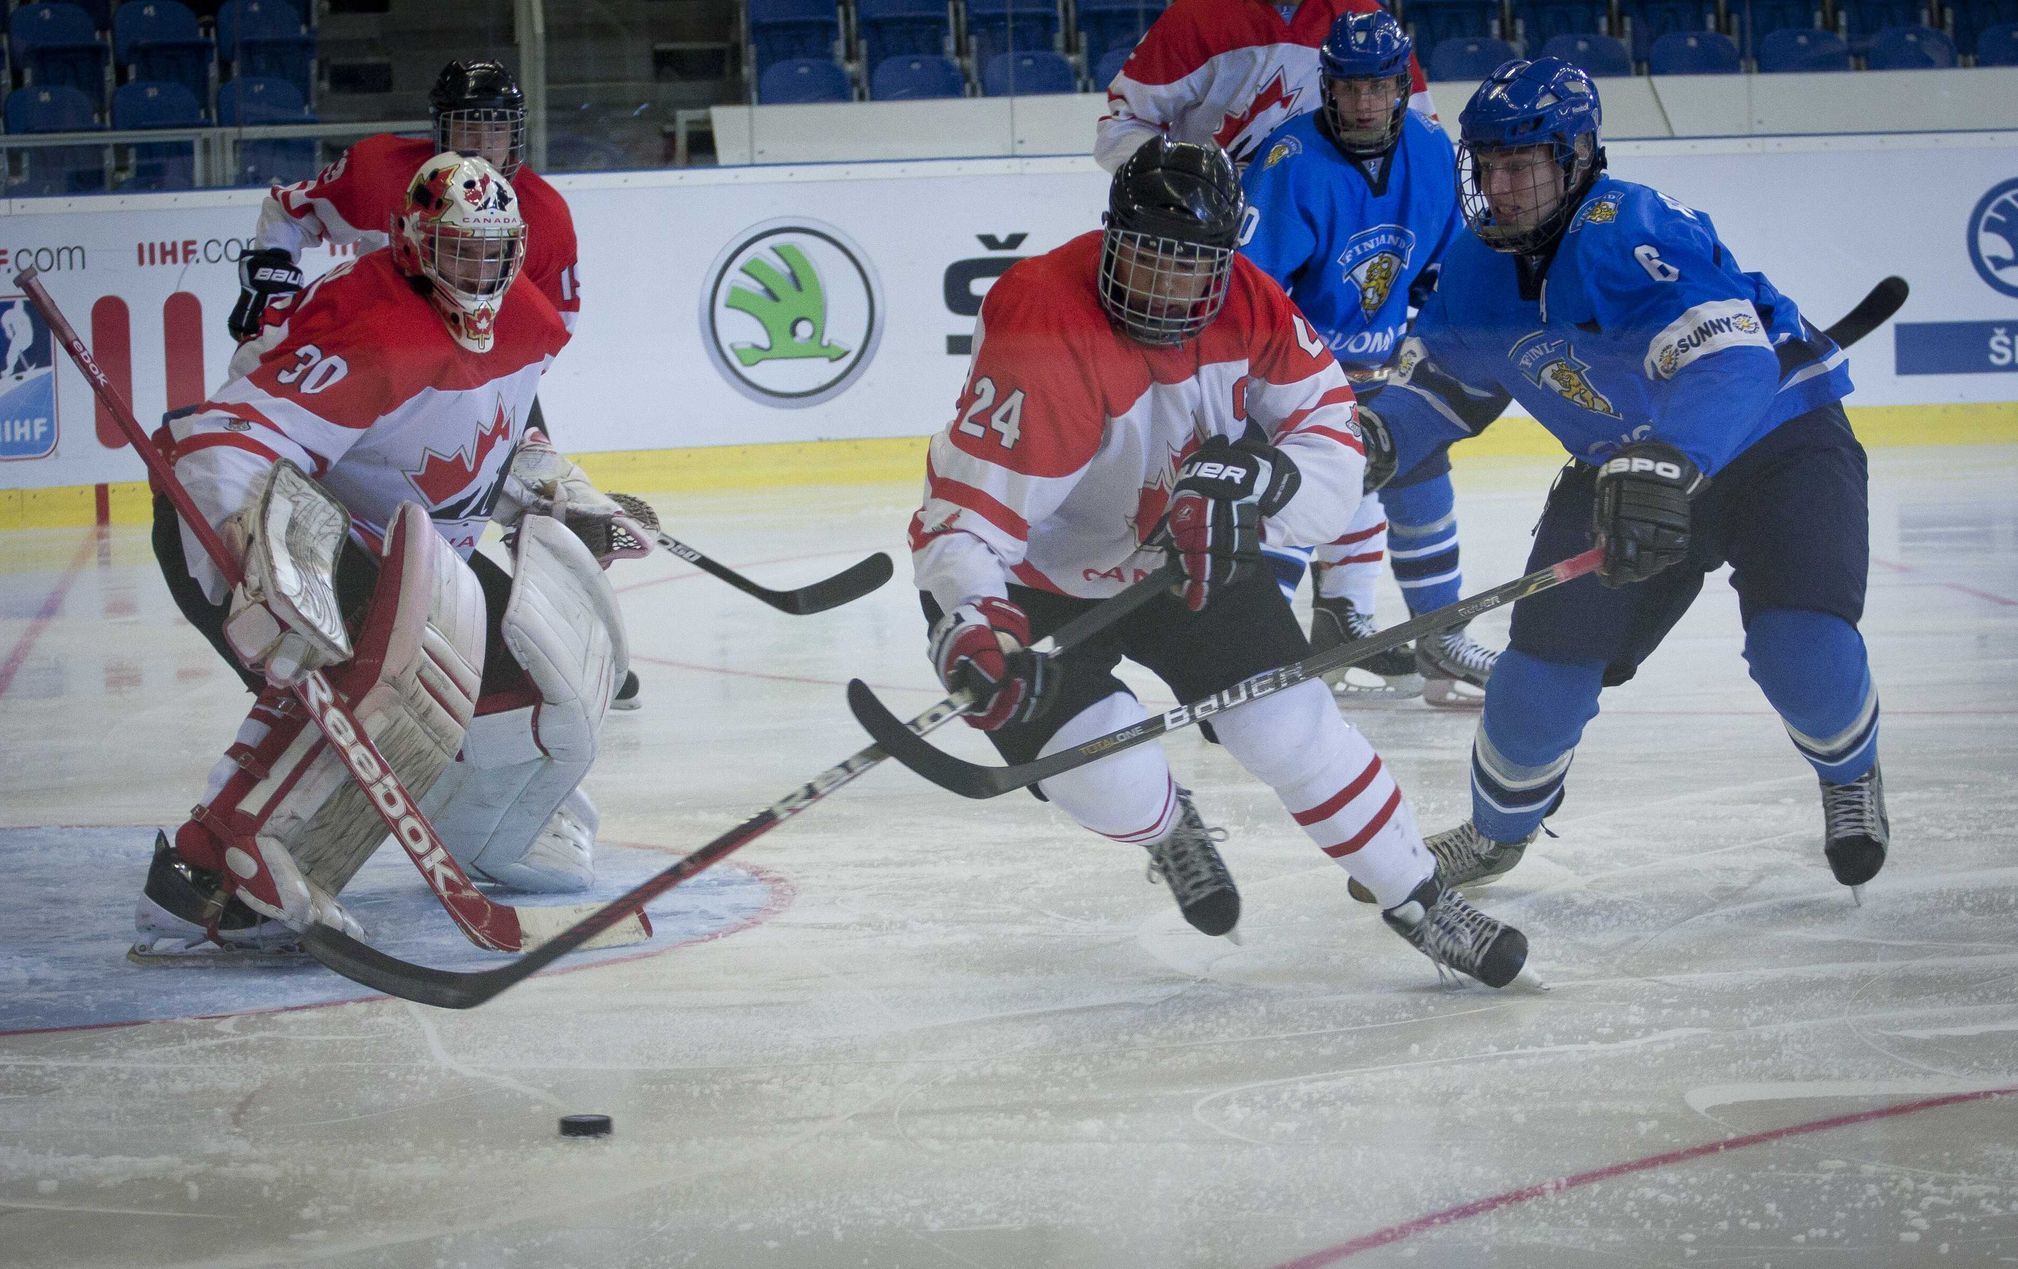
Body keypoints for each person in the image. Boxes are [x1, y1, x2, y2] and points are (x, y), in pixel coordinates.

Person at [907, 138, 1536, 990]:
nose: (1167, 285)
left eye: (1191, 263)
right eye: (1147, 256)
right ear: (1111, 237)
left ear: (1227, 256)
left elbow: (1334, 445)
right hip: (1033, 581)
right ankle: (1169, 826)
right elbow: (967, 519)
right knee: (1111, 768)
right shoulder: (1044, 321)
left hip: (1182, 550)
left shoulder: (1253, 302)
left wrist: (1261, 485)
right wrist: (973, 614)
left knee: (1288, 724)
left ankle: (1420, 897)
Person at [1354, 58, 1887, 903]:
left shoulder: (1632, 228)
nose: (1501, 187)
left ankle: (1850, 774)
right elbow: (1444, 387)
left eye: (1522, 164)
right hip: (1622, 469)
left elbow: (1733, 362)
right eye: (1488, 165)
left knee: (1800, 649)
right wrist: (1380, 431)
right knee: (1540, 672)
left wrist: (1671, 457)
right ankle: (1494, 833)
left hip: (1777, 444)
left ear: (1575, 157)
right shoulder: (1474, 268)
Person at [134, 153, 653, 961]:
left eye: (494, 253)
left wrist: (555, 489)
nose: (479, 273)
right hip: (259, 529)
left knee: (525, 669)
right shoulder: (371, 328)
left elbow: (496, 435)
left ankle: (489, 825)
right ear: (413, 242)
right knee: (380, 673)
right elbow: (220, 443)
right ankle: (212, 871)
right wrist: (266, 564)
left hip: (410, 557)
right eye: (459, 252)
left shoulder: (527, 318)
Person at [229, 60, 642, 710]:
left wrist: (499, 413)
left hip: (482, 367)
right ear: (439, 128)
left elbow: (547, 334)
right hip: (385, 367)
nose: (482, 142)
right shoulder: (383, 170)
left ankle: (569, 646)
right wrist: (271, 280)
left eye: (496, 128)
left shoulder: (545, 215)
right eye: (467, 126)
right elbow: (290, 210)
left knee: (526, 501)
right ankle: (332, 624)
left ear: (517, 135)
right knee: (374, 500)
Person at [1239, 9, 1496, 705]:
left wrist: (1422, 348)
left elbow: (1450, 271)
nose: (1363, 102)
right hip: (1296, 377)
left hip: (1386, 366)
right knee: (1291, 503)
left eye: (1378, 86)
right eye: (1350, 87)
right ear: (1328, 86)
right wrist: (1303, 376)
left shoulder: (1432, 150)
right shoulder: (1290, 161)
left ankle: (1440, 639)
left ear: (1399, 86)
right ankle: (1255, 655)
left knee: (1421, 474)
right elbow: (1251, 294)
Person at [1095, 0, 1431, 175]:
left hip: (1328, 226)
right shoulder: (1194, 18)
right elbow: (1122, 128)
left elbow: (1419, 136)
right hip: (1211, 232)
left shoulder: (1367, 25)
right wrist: (1176, 182)